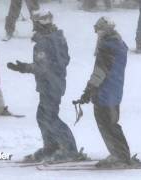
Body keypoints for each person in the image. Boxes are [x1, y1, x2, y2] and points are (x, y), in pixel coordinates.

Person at [7, 11, 85, 162]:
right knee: (43, 116)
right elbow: (64, 60)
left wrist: (24, 68)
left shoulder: (44, 42)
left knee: (49, 117)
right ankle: (52, 146)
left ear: (36, 24)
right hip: (55, 83)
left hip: (50, 84)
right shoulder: (57, 37)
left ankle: (69, 150)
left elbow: (43, 67)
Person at [77, 17, 141, 168]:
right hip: (114, 91)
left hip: (105, 93)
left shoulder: (107, 47)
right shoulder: (118, 44)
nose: (97, 33)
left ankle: (119, 156)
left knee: (107, 124)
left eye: (98, 30)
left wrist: (88, 91)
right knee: (112, 124)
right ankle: (120, 153)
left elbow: (100, 72)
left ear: (104, 30)